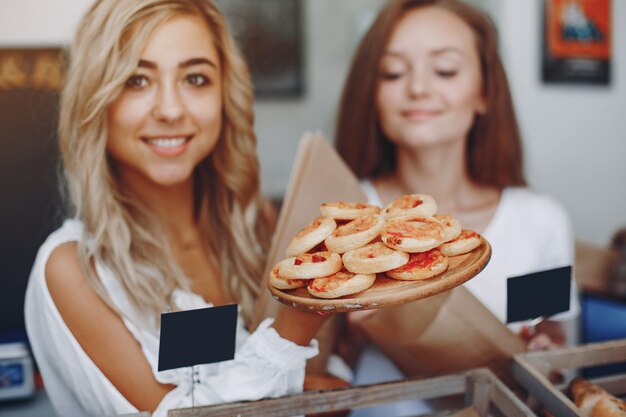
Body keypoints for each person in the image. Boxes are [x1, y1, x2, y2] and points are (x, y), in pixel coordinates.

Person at [24, 1, 329, 416]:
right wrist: (296, 326)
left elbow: (318, 386)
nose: (170, 110)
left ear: (225, 93)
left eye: (195, 78)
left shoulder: (255, 228)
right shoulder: (75, 268)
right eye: (136, 80)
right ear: (95, 97)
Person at [333, 0, 579, 414]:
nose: (418, 88)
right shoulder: (347, 219)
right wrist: (353, 336)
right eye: (393, 72)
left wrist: (545, 349)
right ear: (370, 93)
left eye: (444, 70)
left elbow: (547, 328)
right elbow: (311, 370)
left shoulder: (537, 221)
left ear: (484, 92)